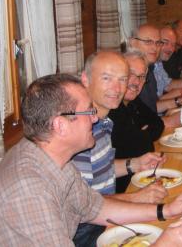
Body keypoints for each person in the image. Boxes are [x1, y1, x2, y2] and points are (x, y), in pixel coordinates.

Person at [0, 74, 182, 246]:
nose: (95, 119)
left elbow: (94, 207)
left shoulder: (51, 158)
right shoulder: (28, 194)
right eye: (88, 112)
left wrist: (164, 211)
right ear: (60, 125)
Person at [72, 51, 168, 246]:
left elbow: (99, 170)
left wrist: (134, 164)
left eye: (122, 79)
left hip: (108, 219)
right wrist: (134, 198)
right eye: (107, 78)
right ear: (85, 79)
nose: (117, 88)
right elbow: (82, 207)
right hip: (87, 232)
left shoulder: (103, 121)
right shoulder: (78, 131)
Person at [110, 50, 166, 193]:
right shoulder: (111, 107)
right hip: (123, 189)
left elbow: (158, 124)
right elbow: (140, 145)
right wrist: (140, 137)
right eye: (131, 74)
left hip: (139, 178)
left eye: (141, 77)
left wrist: (140, 135)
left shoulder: (133, 102)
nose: (136, 82)